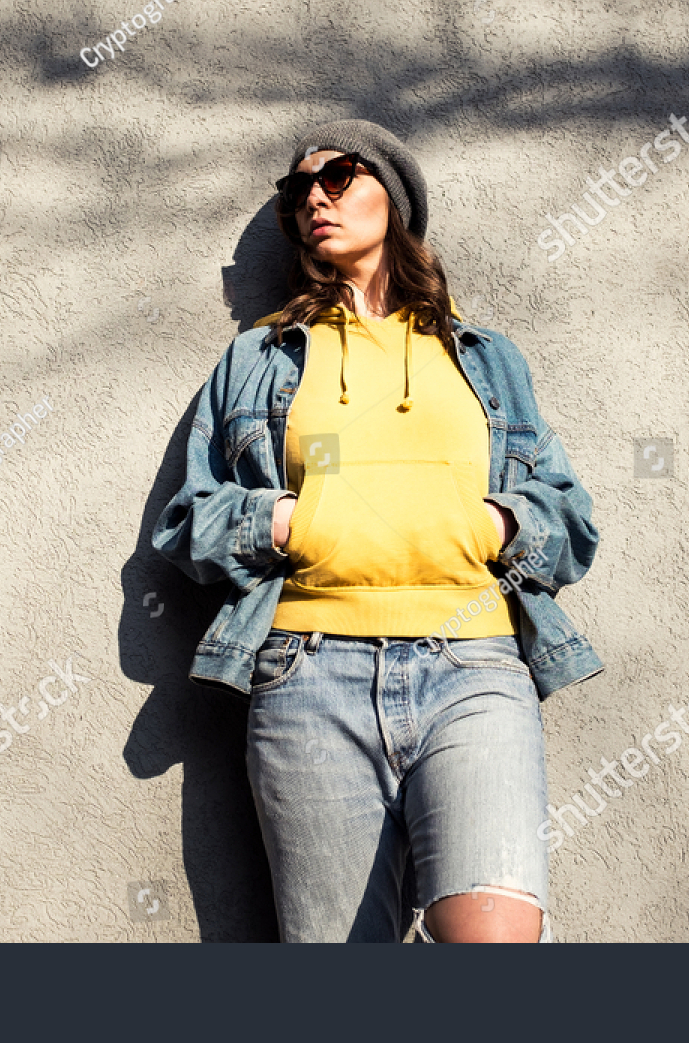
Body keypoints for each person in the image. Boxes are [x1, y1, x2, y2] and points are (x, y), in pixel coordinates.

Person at [152, 119, 605, 942]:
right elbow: (187, 522)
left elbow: (570, 522)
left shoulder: (484, 355)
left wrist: (492, 522)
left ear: (392, 197)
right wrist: (294, 518)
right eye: (297, 192)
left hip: (475, 666)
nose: (313, 200)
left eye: (337, 177)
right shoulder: (259, 358)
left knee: (497, 942)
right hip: (307, 673)